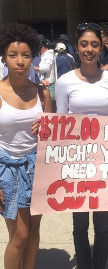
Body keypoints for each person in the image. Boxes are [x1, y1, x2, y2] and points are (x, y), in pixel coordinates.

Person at [55, 23, 108, 269]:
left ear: (101, 47)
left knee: (102, 226)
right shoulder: (64, 82)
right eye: (84, 44)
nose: (89, 49)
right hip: (75, 163)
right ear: (76, 47)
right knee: (80, 225)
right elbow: (60, 123)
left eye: (94, 44)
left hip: (104, 162)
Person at [0, 23, 52, 269]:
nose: (20, 61)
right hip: (7, 170)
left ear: (33, 58)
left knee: (33, 231)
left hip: (37, 168)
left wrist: (47, 129)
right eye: (13, 55)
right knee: (19, 234)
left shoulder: (43, 94)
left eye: (26, 55)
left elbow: (52, 137)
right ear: (4, 57)